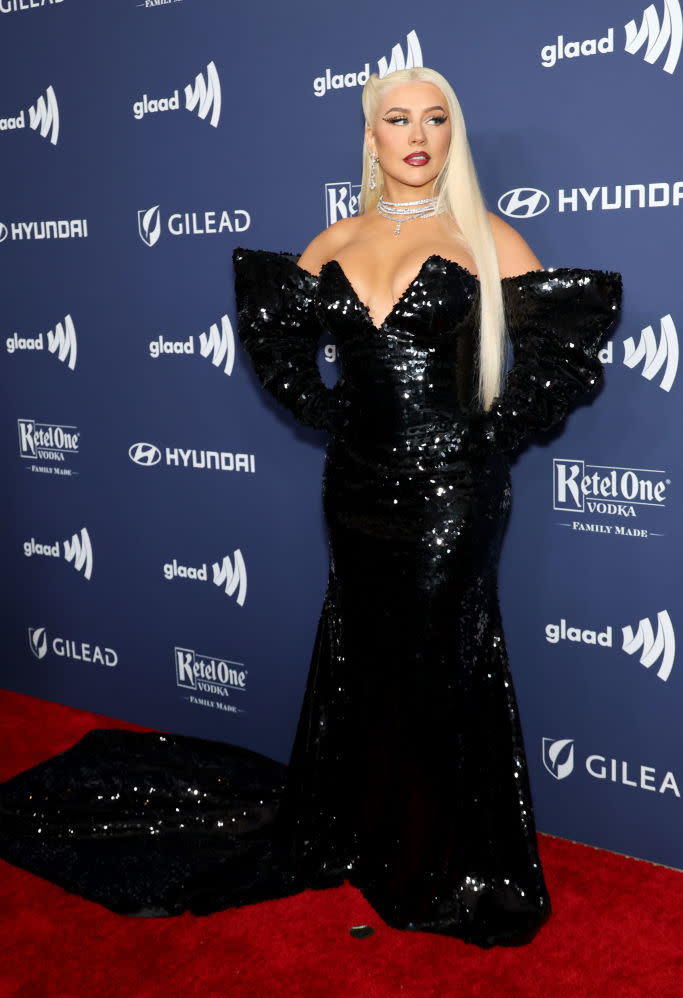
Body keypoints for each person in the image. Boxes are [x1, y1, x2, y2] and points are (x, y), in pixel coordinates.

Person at [0, 67, 621, 948]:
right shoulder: (333, 239)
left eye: (435, 119)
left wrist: (484, 438)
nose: (417, 135)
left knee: (440, 656)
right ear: (370, 139)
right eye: (397, 120)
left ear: (454, 134)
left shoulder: (485, 235)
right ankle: (357, 824)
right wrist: (337, 416)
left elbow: (560, 354)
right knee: (363, 651)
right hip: (355, 489)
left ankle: (441, 858)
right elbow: (275, 344)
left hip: (450, 494)